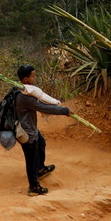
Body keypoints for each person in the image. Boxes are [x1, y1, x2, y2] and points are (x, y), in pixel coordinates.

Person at [15, 64, 71, 196]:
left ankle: (40, 169)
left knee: (41, 142)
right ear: (25, 79)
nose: (35, 77)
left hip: (31, 128)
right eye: (33, 75)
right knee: (31, 158)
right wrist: (64, 110)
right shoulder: (25, 96)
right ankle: (33, 187)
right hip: (26, 132)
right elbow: (43, 107)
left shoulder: (23, 90)